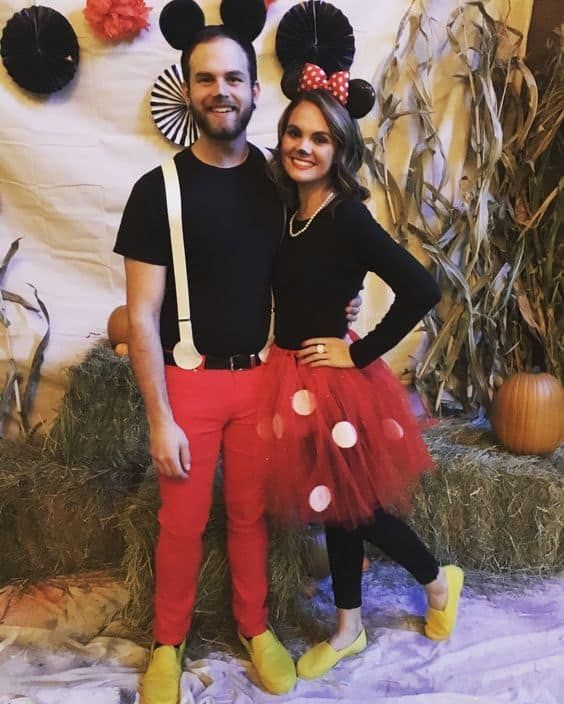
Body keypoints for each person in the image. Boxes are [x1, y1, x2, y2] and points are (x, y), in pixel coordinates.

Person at [114, 23, 360, 704]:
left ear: (255, 90)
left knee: (251, 515)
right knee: (182, 522)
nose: (219, 91)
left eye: (232, 79)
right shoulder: (154, 190)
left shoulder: (281, 183)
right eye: (205, 78)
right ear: (187, 89)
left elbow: (319, 260)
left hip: (262, 382)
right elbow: (139, 315)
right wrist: (159, 416)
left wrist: (348, 308)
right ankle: (168, 643)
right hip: (188, 381)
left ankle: (256, 628)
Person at [256, 88, 464, 680]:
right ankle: (351, 624)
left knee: (353, 508)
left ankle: (435, 581)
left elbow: (422, 288)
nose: (304, 146)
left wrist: (359, 352)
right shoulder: (288, 211)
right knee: (337, 508)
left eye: (320, 138)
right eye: (295, 133)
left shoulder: (347, 215)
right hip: (288, 377)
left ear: (340, 149)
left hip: (334, 385)